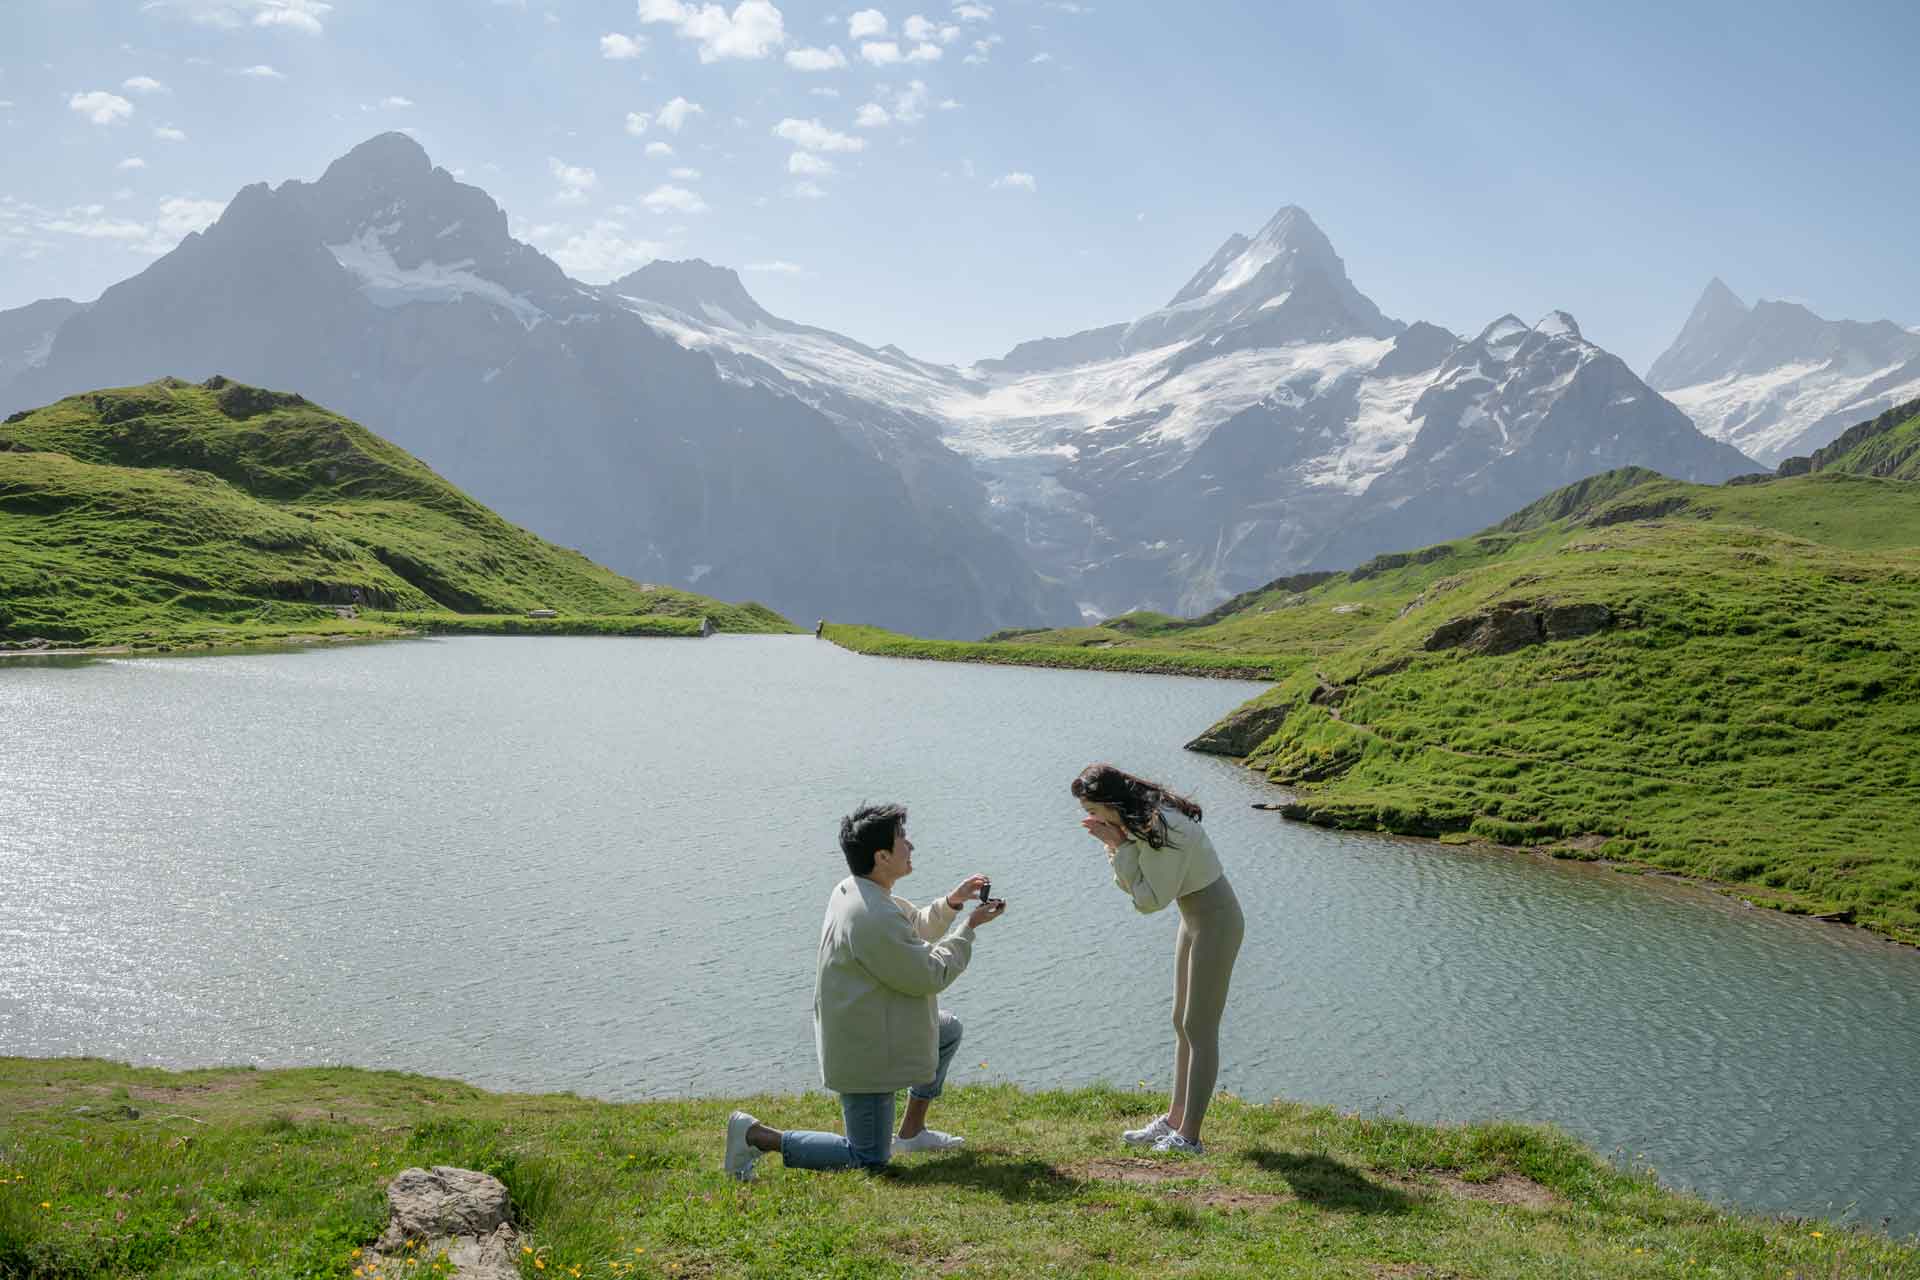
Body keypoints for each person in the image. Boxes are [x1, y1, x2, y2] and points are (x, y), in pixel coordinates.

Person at [723, 802, 1006, 1180]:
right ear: (882, 855)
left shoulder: (858, 890)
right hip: (867, 1047)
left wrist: (953, 903)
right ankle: (755, 1136)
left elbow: (912, 930)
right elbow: (930, 974)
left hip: (871, 1026)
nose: (911, 846)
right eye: (903, 839)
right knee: (868, 1156)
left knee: (946, 1030)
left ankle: (912, 1133)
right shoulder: (872, 913)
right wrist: (968, 927)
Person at [1073, 762, 1243, 1155]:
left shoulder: (1161, 828)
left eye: (1093, 810)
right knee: (1181, 1023)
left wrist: (1117, 846)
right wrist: (1120, 844)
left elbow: (1150, 900)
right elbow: (1139, 888)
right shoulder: (1139, 824)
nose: (1090, 819)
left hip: (1217, 923)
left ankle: (1190, 1137)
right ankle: (1173, 1119)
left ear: (1110, 802)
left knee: (1199, 1028)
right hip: (1193, 919)